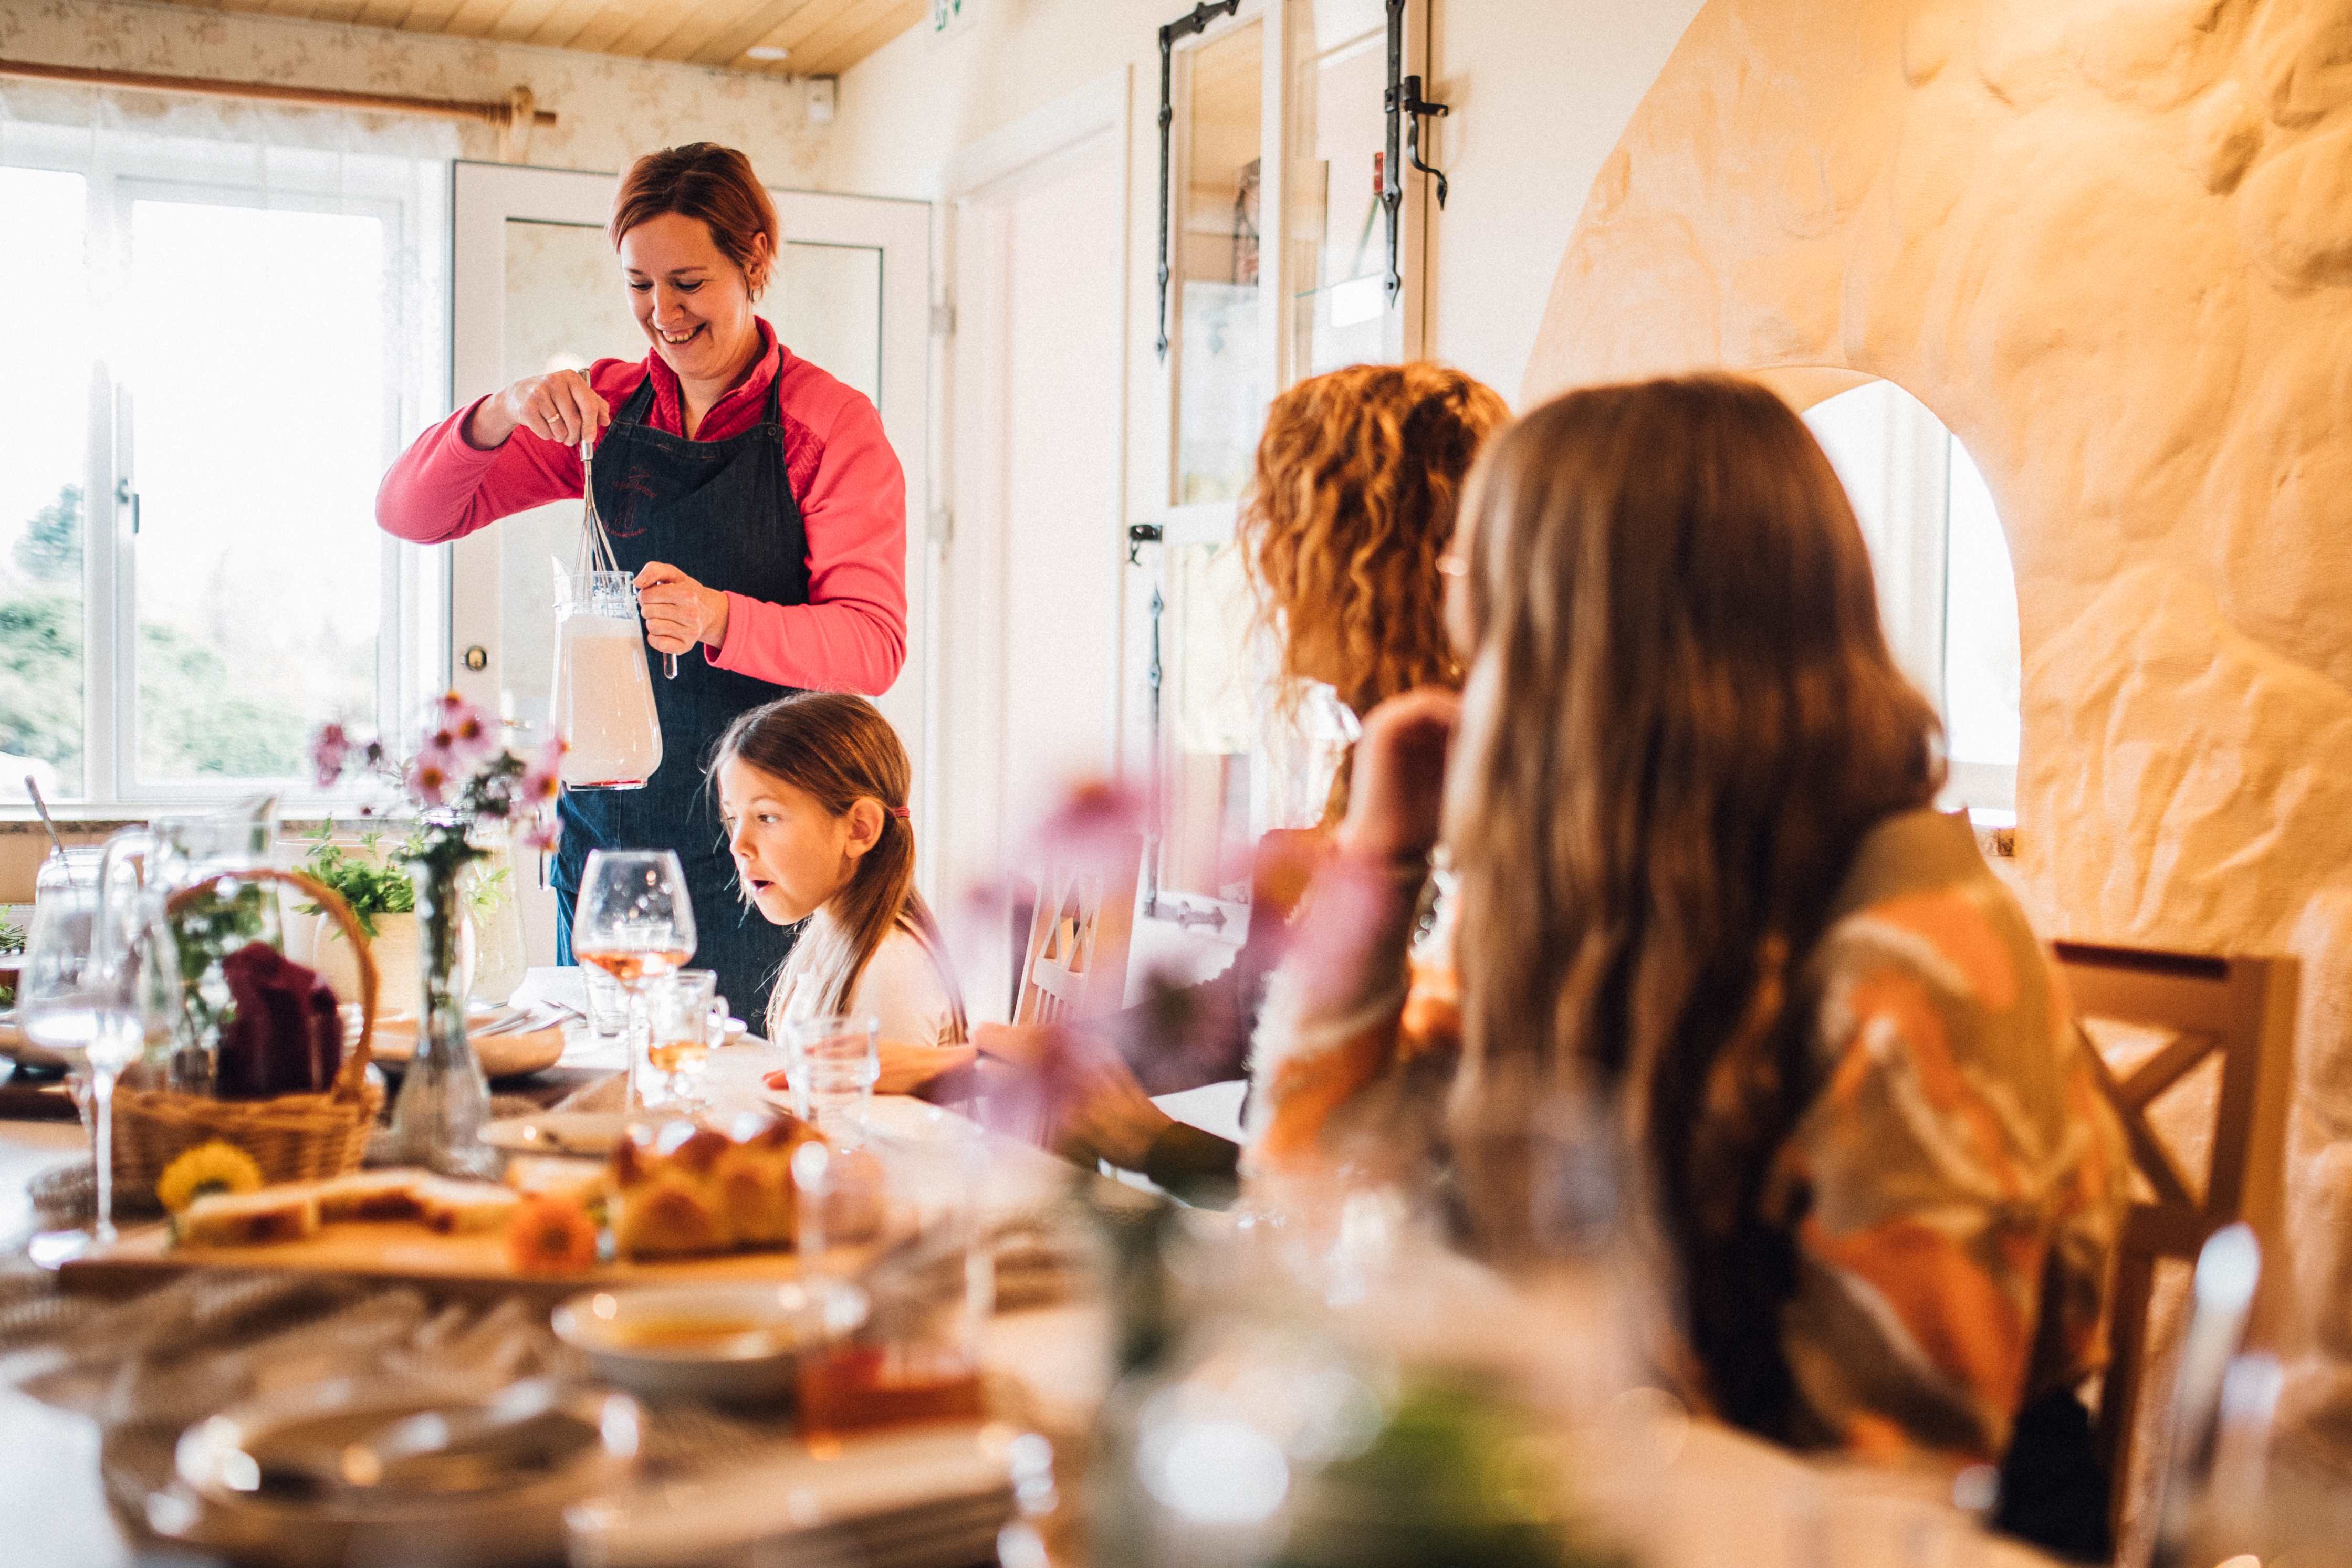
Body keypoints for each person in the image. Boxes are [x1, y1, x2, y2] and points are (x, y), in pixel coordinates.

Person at [1250, 375, 2128, 1511]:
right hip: (1650, 1479)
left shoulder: (1917, 949)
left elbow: (1880, 1479)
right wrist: (1375, 861)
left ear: (1619, 666)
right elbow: (1304, 1193)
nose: (1469, 676)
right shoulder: (1586, 893)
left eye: (1503, 634)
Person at [378, 143, 907, 1021]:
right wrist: (500, 410)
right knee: (604, 1098)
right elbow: (411, 512)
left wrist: (717, 617)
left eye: (688, 282)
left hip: (764, 853)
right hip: (611, 842)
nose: (661, 313)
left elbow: (870, 644)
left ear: (755, 258)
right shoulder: (604, 413)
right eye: (638, 285)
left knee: (741, 1113)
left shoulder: (829, 425)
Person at [973, 362, 1510, 1203]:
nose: (1263, 566)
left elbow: (1417, 1181)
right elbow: (1256, 1005)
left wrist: (1164, 1148)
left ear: (1376, 554)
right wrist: (1020, 1058)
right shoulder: (1371, 758)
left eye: (1292, 527)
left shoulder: (1475, 794)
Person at [712, 693, 968, 1076]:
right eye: (733, 819)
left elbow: (877, 1129)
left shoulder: (887, 972)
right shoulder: (837, 935)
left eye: (766, 817)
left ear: (859, 829)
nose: (738, 846)